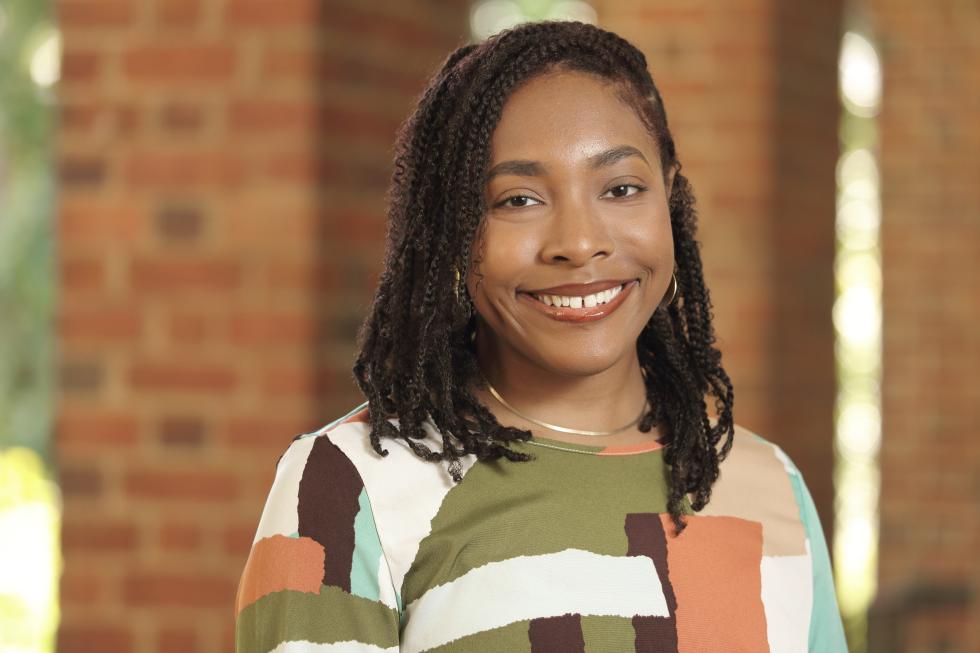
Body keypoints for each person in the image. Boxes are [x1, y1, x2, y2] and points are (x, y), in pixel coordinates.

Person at [234, 20, 848, 653]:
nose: (580, 243)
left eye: (621, 188)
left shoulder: (768, 484)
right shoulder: (350, 488)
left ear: (670, 196)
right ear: (454, 231)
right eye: (519, 200)